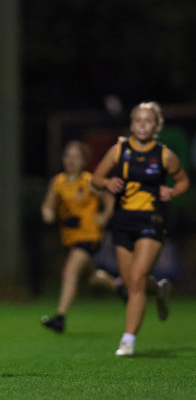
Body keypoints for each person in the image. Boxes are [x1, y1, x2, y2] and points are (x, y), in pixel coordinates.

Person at [91, 101, 189, 356]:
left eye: (148, 121)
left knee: (135, 280)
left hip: (152, 220)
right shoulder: (119, 150)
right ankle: (159, 289)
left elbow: (182, 181)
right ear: (132, 124)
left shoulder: (164, 154)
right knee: (131, 282)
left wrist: (172, 190)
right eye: (138, 120)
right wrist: (107, 181)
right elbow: (96, 177)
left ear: (156, 125)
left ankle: (128, 340)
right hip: (123, 222)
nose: (142, 125)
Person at [40, 140, 117, 333]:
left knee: (69, 272)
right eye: (68, 156)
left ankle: (60, 318)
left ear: (83, 161)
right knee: (90, 277)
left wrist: (104, 217)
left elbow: (109, 198)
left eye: (75, 157)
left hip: (89, 236)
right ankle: (120, 287)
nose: (71, 160)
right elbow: (48, 206)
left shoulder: (89, 181)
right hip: (71, 238)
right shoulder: (58, 182)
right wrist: (48, 213)